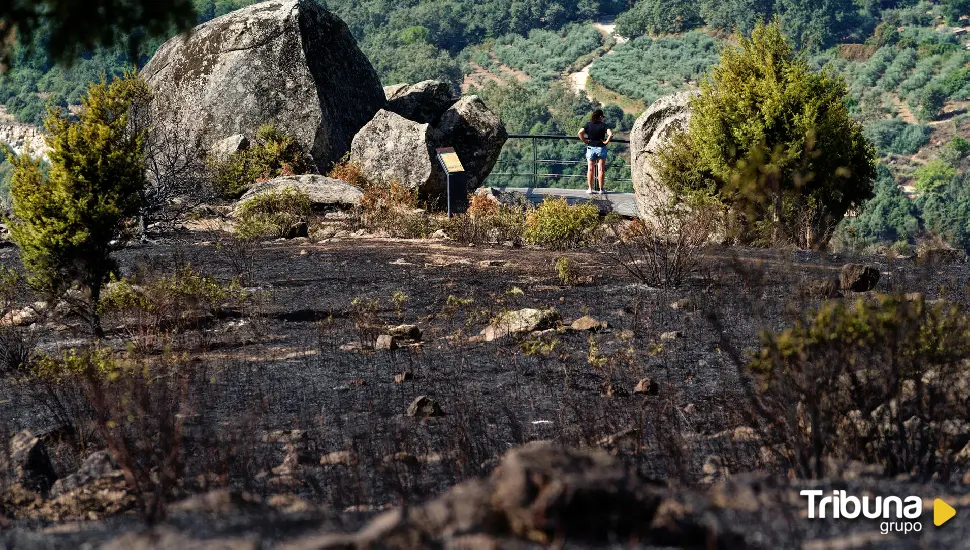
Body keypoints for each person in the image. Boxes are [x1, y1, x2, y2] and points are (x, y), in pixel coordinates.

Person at [578, 109, 613, 195]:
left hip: (591, 148)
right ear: (600, 117)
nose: (603, 118)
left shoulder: (588, 124)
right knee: (600, 169)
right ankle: (601, 190)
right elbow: (611, 134)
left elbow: (580, 132)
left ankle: (590, 189)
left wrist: (585, 141)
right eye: (603, 117)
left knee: (590, 169)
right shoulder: (604, 125)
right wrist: (606, 142)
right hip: (601, 148)